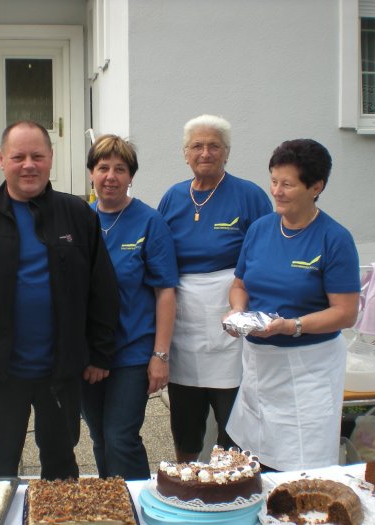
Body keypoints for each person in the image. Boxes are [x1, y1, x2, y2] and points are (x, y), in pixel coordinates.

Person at [0, 121, 119, 479]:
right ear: (1, 159)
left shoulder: (77, 214)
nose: (28, 165)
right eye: (18, 157)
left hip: (61, 370)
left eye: (37, 156)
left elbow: (101, 288)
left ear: (51, 158)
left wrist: (100, 353)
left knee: (61, 464)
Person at [224, 138, 360, 471]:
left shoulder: (334, 238)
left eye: (287, 184)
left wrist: (292, 326)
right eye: (274, 181)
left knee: (303, 464)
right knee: (254, 457)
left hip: (308, 367)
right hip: (259, 364)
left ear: (316, 187)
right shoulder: (260, 229)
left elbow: (345, 313)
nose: (277, 191)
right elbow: (240, 285)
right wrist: (237, 311)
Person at [157, 114, 272, 463]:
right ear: (185, 154)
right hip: (184, 322)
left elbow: (264, 257)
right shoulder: (173, 197)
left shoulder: (249, 196)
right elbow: (160, 258)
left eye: (214, 146)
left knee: (233, 418)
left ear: (226, 153)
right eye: (197, 146)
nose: (205, 153)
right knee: (185, 417)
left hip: (231, 318)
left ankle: (231, 478)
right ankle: (186, 477)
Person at [81, 135, 179, 480]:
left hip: (132, 352)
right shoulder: (79, 220)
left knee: (120, 437)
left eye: (120, 169)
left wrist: (160, 355)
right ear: (91, 174)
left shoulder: (149, 222)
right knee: (99, 436)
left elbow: (165, 292)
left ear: (131, 176)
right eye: (103, 167)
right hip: (90, 353)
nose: (111, 176)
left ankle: (136, 503)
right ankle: (113, 500)